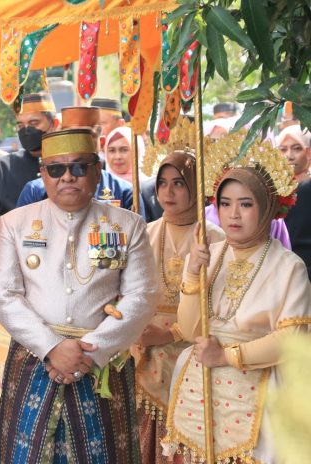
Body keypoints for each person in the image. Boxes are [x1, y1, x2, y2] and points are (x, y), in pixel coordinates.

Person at [0, 128, 157, 463]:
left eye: (79, 167)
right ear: (43, 174)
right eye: (56, 169)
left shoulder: (127, 225)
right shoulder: (14, 224)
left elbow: (142, 295)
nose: (67, 177)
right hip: (35, 359)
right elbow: (3, 293)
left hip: (100, 361)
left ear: (97, 170)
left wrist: (91, 352)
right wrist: (51, 347)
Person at [162, 166, 311, 463]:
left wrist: (226, 357)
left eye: (245, 204)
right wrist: (193, 274)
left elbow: (291, 337)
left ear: (268, 207)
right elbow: (191, 331)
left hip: (260, 388)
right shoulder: (210, 255)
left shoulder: (289, 266)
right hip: (199, 385)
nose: (233, 214)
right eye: (225, 204)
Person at [132, 152, 225, 463]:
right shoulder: (144, 234)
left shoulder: (215, 239)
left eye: (178, 184)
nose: (168, 193)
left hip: (192, 348)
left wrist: (169, 334)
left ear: (196, 187)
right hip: (144, 346)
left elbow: (218, 307)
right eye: (162, 183)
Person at [0, 92, 58, 218]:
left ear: (54, 124)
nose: (26, 130)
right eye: (20, 125)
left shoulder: (70, 165)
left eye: (34, 123)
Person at [278, 125, 311, 279]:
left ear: (308, 152)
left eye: (296, 148)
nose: (289, 156)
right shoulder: (273, 190)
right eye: (283, 149)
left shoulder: (307, 188)